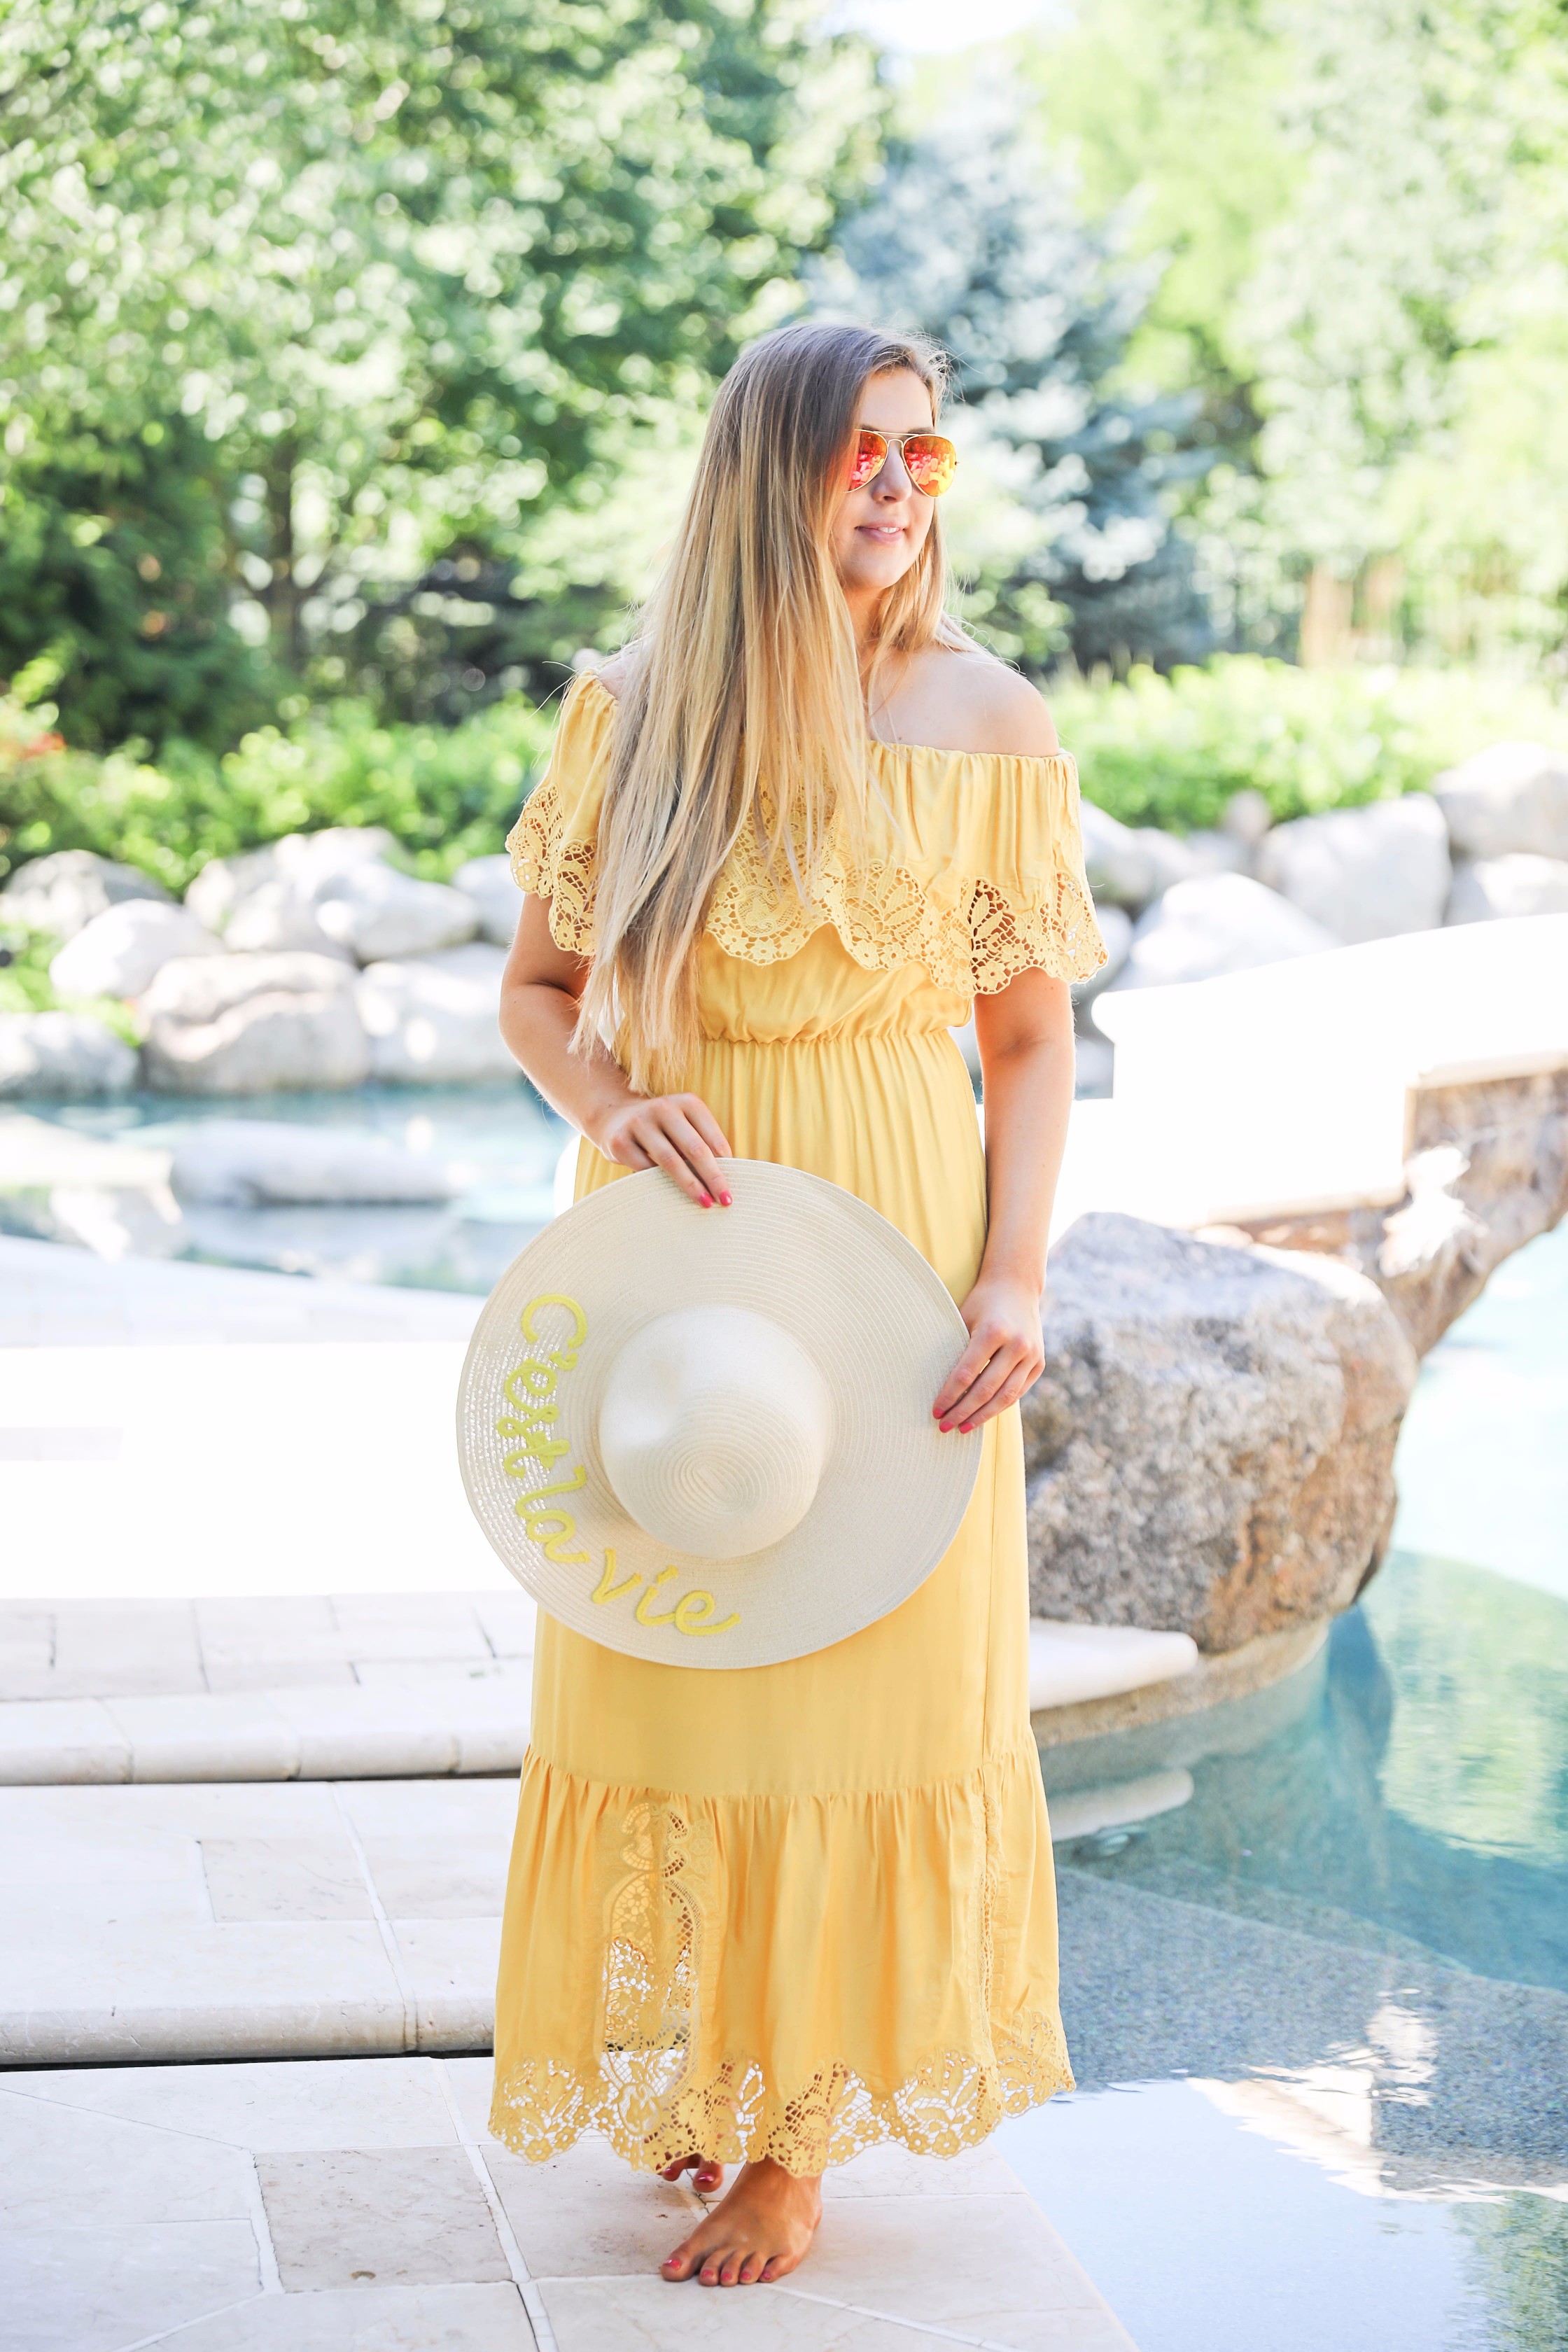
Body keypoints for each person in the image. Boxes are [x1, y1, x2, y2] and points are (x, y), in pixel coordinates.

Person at [491, 319, 1105, 2290]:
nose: (901, 490)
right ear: (767, 470)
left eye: (926, 456)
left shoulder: (986, 721)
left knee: (862, 1676)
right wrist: (610, 1091)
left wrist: (1013, 1268)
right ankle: (710, 2070)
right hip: (675, 1246)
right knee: (683, 1649)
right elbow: (537, 992)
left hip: (889, 1248)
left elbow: (1026, 1039)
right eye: (861, 451)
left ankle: (794, 2141)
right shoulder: (636, 706)